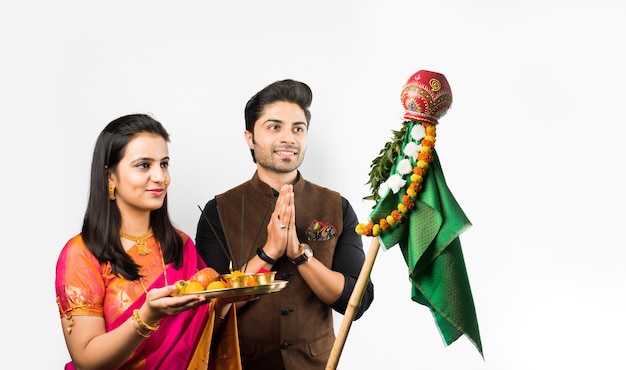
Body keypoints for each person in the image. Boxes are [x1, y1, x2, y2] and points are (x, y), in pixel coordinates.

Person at [196, 79, 375, 369]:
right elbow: (207, 308)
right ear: (249, 137)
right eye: (274, 127)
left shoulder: (337, 206)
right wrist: (267, 254)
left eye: (298, 129)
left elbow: (358, 301)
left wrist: (299, 255)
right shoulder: (218, 209)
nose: (289, 138)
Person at [55, 114, 237, 369]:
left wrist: (224, 304)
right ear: (110, 177)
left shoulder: (180, 245)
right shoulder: (82, 254)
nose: (160, 177)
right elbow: (86, 362)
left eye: (163, 164)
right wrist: (147, 317)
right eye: (143, 165)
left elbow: (201, 332)